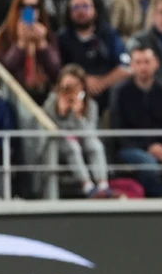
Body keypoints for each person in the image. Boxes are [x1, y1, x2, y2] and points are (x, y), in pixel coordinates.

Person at [111, 45, 162, 197]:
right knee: (149, 166)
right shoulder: (120, 92)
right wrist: (147, 147)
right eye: (138, 62)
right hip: (131, 146)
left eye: (147, 62)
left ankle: (159, 196)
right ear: (132, 65)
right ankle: (158, 198)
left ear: (156, 63)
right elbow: (118, 130)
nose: (143, 67)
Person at [43, 65, 111, 197]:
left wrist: (78, 116)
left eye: (74, 86)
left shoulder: (90, 105)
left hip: (82, 140)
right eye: (66, 86)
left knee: (96, 145)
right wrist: (60, 113)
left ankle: (103, 185)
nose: (70, 91)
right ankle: (88, 186)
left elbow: (90, 133)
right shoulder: (51, 102)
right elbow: (49, 130)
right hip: (60, 143)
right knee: (73, 147)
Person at [57, 0, 130, 111]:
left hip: (108, 95)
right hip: (74, 95)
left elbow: (126, 68)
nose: (81, 11)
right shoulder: (62, 38)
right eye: (75, 7)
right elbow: (56, 70)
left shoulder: (109, 34)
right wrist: (82, 82)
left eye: (85, 6)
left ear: (95, 10)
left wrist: (101, 83)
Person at [0, 0, 60, 101]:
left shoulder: (46, 33)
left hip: (43, 93)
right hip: (13, 94)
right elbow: (2, 71)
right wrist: (20, 44)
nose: (30, 10)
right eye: (24, 6)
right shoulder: (5, 34)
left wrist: (42, 44)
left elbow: (56, 71)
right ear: (16, 9)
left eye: (34, 6)